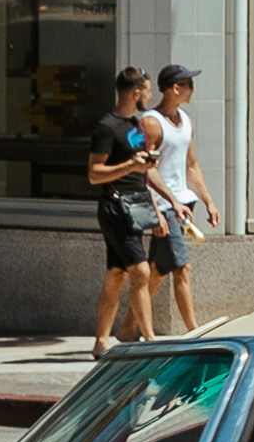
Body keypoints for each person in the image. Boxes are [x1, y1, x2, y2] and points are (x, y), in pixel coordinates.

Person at [90, 67, 167, 347]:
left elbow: (143, 172)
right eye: (147, 90)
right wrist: (130, 166)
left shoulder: (135, 125)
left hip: (137, 205)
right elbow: (94, 173)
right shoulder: (106, 127)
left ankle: (101, 341)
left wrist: (161, 208)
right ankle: (149, 340)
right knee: (141, 271)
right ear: (136, 93)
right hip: (115, 207)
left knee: (117, 273)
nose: (150, 94)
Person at [141, 63, 219, 334]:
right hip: (164, 205)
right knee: (182, 267)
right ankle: (193, 331)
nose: (193, 90)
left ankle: (129, 326)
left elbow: (191, 165)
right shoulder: (151, 123)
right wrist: (157, 209)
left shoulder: (186, 121)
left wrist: (208, 200)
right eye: (189, 85)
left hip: (183, 203)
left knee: (159, 268)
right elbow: (145, 169)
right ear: (175, 88)